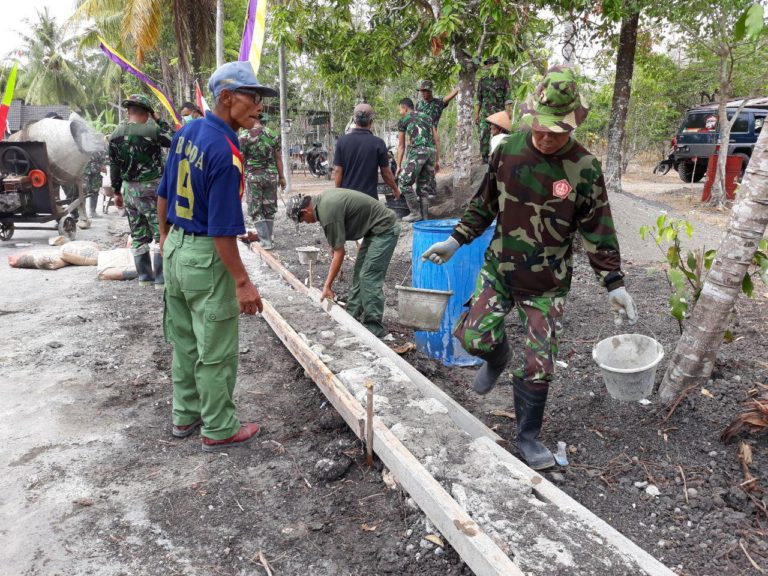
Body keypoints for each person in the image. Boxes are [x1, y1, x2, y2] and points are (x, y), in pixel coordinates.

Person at [421, 66, 638, 470]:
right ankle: (496, 358)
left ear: (572, 126)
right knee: (474, 338)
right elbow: (485, 203)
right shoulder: (507, 150)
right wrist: (455, 241)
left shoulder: (584, 168)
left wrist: (613, 282)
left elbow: (598, 228)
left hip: (547, 284)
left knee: (539, 364)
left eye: (555, 132)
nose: (545, 137)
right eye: (539, 128)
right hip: (499, 271)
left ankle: (528, 437)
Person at [157, 61, 276, 452]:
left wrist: (166, 241)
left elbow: (163, 193)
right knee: (216, 350)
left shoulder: (187, 132)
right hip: (206, 257)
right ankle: (219, 427)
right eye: (252, 98)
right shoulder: (226, 152)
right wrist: (243, 282)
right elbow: (222, 230)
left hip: (176, 247)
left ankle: (185, 415)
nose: (258, 107)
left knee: (186, 342)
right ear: (226, 98)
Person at [288, 189, 400, 339]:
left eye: (302, 219)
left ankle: (374, 327)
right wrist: (334, 244)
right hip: (373, 230)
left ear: (305, 210)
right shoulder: (321, 203)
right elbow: (336, 242)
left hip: (385, 229)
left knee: (368, 276)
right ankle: (352, 315)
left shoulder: (327, 212)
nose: (305, 222)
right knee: (359, 271)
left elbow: (340, 254)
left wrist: (327, 286)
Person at [108, 94, 173, 287]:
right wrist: (160, 120)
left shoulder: (115, 134)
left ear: (129, 111)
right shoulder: (152, 130)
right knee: (161, 230)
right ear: (147, 113)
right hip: (152, 187)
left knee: (137, 233)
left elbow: (114, 166)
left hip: (128, 189)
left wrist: (116, 192)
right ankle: (161, 278)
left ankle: (144, 277)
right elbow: (173, 140)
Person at [333, 103, 400, 201]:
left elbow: (338, 171)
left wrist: (338, 193)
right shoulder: (378, 143)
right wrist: (395, 188)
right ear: (371, 121)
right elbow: (386, 173)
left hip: (347, 199)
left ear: (354, 120)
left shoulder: (342, 142)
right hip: (369, 201)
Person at [239, 112, 286, 249]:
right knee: (269, 208)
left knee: (256, 209)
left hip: (253, 177)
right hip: (271, 176)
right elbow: (278, 158)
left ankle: (265, 242)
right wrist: (282, 177)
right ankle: (268, 239)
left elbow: (240, 159)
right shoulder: (272, 134)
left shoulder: (244, 136)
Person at [396, 98, 439, 223]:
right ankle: (425, 218)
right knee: (423, 185)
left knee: (403, 181)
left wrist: (398, 165)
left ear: (405, 108)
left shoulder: (403, 120)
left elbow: (401, 146)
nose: (400, 112)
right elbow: (436, 139)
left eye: (400, 109)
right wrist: (437, 159)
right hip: (431, 152)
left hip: (418, 152)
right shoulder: (427, 117)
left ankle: (415, 213)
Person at [474, 57, 511, 163]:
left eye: (493, 64)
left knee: (501, 136)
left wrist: (508, 114)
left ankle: (500, 157)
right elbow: (478, 99)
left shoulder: (504, 80)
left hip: (499, 114)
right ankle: (484, 158)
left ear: (497, 65)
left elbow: (508, 98)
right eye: (488, 64)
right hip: (485, 114)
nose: (490, 66)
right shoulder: (482, 81)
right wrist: (476, 114)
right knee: (484, 135)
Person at [82, 150, 107, 218]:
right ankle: (82, 213)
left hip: (96, 173)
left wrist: (103, 165)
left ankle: (93, 211)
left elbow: (104, 159)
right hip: (85, 172)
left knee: (95, 191)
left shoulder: (100, 146)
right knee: (83, 192)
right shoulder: (83, 142)